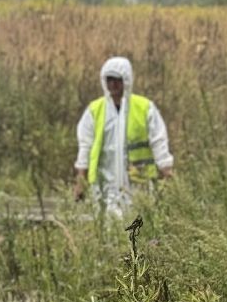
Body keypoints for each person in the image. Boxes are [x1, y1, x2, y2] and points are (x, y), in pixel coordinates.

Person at [74, 56, 174, 212]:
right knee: (109, 230)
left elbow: (158, 141)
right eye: (109, 79)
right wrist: (81, 181)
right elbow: (85, 146)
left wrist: (166, 172)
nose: (113, 84)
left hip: (138, 183)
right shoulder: (95, 110)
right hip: (104, 185)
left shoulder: (144, 108)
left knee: (138, 229)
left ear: (126, 80)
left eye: (117, 79)